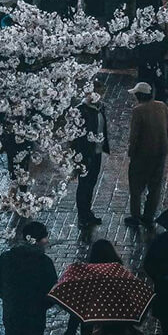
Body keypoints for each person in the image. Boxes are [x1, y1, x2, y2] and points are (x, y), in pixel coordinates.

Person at [125, 82, 168, 229]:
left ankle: (135, 215)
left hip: (142, 154)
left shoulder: (138, 110)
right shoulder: (162, 106)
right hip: (160, 152)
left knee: (136, 185)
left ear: (139, 96)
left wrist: (131, 152)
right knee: (155, 185)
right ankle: (149, 215)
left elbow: (135, 135)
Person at [63, 241, 121, 335]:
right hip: (114, 325)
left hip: (91, 327)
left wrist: (70, 332)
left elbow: (78, 307)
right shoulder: (119, 275)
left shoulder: (86, 278)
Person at [72, 87, 107, 229]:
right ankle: (82, 214)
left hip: (97, 151)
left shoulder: (100, 108)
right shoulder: (80, 110)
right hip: (85, 153)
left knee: (92, 182)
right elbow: (75, 136)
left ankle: (88, 211)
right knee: (84, 184)